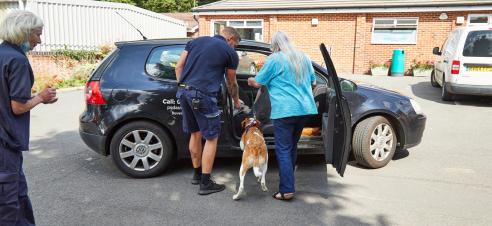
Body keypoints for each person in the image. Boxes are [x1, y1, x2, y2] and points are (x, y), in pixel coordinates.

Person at [0, 10, 57, 225]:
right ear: (23, 32)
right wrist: (41, 97)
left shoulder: (1, 53)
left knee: (19, 197)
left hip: (5, 142)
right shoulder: (17, 60)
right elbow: (17, 107)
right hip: (6, 145)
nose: (39, 40)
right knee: (9, 205)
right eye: (37, 34)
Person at [247, 31, 317, 201]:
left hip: (285, 111)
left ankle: (286, 190)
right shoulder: (304, 57)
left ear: (275, 45)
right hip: (304, 109)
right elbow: (314, 82)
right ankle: (288, 182)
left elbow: (258, 82)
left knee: (283, 149)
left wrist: (250, 80)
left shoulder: (275, 59)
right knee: (291, 146)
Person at [175, 27, 241, 195]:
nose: (234, 48)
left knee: (195, 134)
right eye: (235, 45)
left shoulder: (195, 41)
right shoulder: (229, 52)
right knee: (211, 138)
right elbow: (231, 82)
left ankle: (197, 175)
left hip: (183, 92)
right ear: (231, 39)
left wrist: (183, 86)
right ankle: (205, 183)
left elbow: (178, 66)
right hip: (203, 95)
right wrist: (235, 100)